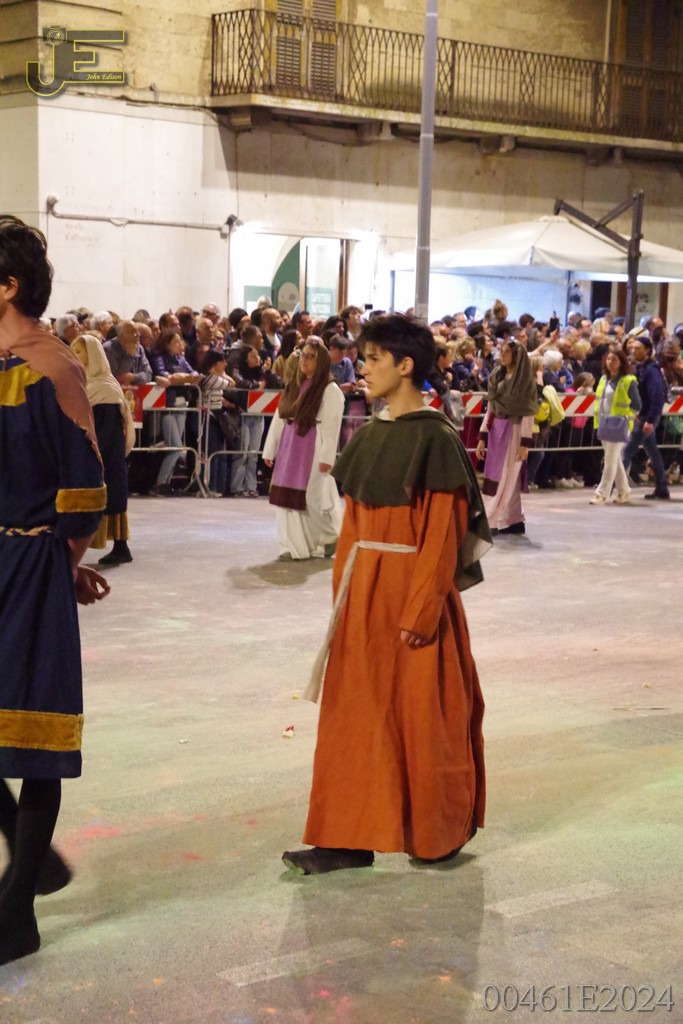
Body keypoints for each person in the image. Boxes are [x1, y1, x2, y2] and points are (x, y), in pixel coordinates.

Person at [281, 314, 490, 874]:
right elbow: (353, 531)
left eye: (374, 359)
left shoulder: (436, 438)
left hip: (413, 598)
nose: (364, 368)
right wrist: (344, 601)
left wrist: (422, 610)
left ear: (406, 365)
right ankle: (345, 838)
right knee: (354, 716)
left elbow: (442, 537)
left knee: (424, 718)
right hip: (363, 598)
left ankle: (436, 832)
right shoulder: (371, 434)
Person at [0, 215, 110, 966]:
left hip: (32, 565)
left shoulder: (52, 366)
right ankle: (30, 859)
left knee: (37, 741)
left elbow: (84, 488)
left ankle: (16, 914)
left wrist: (63, 563)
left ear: (7, 287)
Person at [263, 338, 344, 560]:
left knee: (310, 500)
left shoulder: (330, 389)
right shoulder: (295, 385)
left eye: (310, 357)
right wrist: (270, 449)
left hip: (313, 448)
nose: (304, 360)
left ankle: (329, 537)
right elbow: (280, 417)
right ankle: (291, 547)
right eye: (303, 355)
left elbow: (331, 425)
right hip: (290, 446)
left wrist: (327, 457)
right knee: (285, 498)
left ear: (321, 361)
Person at [70, 334, 136, 563]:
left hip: (106, 453)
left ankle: (121, 546)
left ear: (93, 355)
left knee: (112, 498)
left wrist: (93, 451)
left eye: (79, 351)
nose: (75, 355)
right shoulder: (83, 383)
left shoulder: (105, 387)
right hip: (92, 450)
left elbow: (107, 427)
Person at [475, 341, 538, 534]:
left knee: (506, 474)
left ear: (516, 356)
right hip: (497, 430)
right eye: (501, 351)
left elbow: (527, 413)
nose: (502, 355)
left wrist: (525, 443)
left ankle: (491, 518)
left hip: (514, 430)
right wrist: (482, 436)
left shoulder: (524, 382)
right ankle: (513, 519)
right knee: (496, 474)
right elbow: (491, 409)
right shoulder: (497, 376)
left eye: (507, 352)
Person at [149, 328, 199, 496]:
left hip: (182, 404)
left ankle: (167, 483)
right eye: (176, 342)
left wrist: (180, 377)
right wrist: (182, 377)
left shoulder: (181, 358)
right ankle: (160, 482)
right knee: (176, 447)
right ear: (167, 344)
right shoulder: (159, 357)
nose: (180, 344)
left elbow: (193, 374)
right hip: (167, 406)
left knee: (174, 447)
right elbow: (163, 375)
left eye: (180, 341)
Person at [622, 334, 670, 500]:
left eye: (638, 348)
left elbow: (656, 396)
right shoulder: (641, 368)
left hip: (646, 417)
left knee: (626, 451)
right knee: (653, 451)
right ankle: (662, 487)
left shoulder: (651, 371)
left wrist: (650, 420)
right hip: (642, 416)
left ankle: (613, 486)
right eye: (632, 348)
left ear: (647, 350)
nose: (633, 351)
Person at [590, 347, 640, 506]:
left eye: (614, 359)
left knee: (609, 459)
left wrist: (627, 417)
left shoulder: (628, 380)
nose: (610, 362)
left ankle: (601, 493)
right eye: (608, 359)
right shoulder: (604, 379)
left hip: (620, 425)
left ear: (621, 362)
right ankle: (624, 491)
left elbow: (637, 404)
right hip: (604, 423)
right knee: (614, 458)